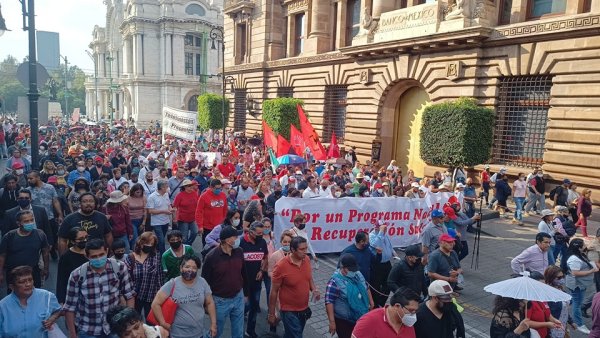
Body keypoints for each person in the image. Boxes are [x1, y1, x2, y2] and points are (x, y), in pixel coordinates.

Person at [64, 238, 136, 338]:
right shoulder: (77, 275)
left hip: (114, 328)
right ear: (87, 256)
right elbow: (69, 308)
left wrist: (128, 323)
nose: (98, 259)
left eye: (101, 255)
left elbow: (129, 295)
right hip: (87, 330)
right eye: (94, 256)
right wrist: (72, 334)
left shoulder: (119, 267)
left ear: (106, 251)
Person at [151, 254, 217, 337]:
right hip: (177, 334)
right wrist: (162, 323)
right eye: (187, 267)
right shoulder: (172, 284)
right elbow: (155, 304)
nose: (190, 270)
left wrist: (213, 324)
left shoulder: (202, 282)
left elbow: (210, 302)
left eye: (194, 268)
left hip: (198, 333)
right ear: (181, 268)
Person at [268, 236, 321, 338]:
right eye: (302, 249)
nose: (305, 251)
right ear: (292, 249)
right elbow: (274, 291)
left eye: (306, 248)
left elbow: (309, 278)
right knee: (296, 335)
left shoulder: (306, 260)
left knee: (292, 335)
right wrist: (271, 314)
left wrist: (314, 289)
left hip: (304, 309)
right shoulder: (281, 266)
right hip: (288, 311)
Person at [201, 226, 245, 338]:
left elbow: (244, 273)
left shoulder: (239, 252)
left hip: (238, 297)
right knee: (216, 332)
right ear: (226, 240)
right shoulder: (211, 257)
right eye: (234, 237)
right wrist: (206, 303)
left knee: (239, 332)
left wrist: (246, 294)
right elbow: (204, 282)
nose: (237, 239)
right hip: (220, 301)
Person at [0, 266, 62, 337]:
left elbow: (59, 310)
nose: (28, 284)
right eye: (22, 282)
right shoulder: (3, 306)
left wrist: (52, 319)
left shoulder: (47, 297)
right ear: (11, 287)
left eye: (30, 280)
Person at [325, 254, 373, 338]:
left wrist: (371, 302)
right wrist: (332, 322)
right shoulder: (334, 281)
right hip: (344, 320)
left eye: (354, 269)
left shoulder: (357, 274)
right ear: (342, 268)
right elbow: (329, 301)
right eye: (350, 270)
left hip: (360, 316)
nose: (353, 272)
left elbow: (366, 287)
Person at [0, 210, 50, 288]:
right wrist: (1, 273)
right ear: (18, 223)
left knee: (34, 295)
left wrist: (46, 268)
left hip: (33, 272)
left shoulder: (40, 234)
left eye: (32, 220)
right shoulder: (9, 236)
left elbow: (45, 252)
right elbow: (2, 256)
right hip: (14, 274)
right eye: (26, 221)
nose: (30, 223)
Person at [240, 221, 269, 338]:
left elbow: (266, 257)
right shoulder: (241, 242)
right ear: (250, 232)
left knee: (254, 305)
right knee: (244, 305)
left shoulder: (262, 242)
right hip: (242, 283)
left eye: (262, 233)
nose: (261, 235)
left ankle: (250, 330)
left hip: (256, 282)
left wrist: (261, 270)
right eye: (258, 233)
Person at [351, 287, 420, 337]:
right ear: (397, 306)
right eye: (411, 310)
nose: (413, 314)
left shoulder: (407, 323)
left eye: (415, 311)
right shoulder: (369, 321)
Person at [125, 232, 163, 319]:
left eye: (152, 244)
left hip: (150, 295)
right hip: (135, 296)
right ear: (141, 243)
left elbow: (159, 276)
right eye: (147, 243)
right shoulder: (131, 258)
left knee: (150, 321)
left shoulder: (156, 256)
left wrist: (160, 293)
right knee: (135, 320)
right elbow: (126, 279)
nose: (149, 246)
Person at [564, 238, 597, 334]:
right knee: (577, 304)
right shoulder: (574, 259)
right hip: (576, 285)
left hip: (580, 284)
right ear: (578, 248)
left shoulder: (577, 253)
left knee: (576, 301)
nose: (585, 246)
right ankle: (579, 324)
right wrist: (591, 271)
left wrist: (589, 249)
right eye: (583, 245)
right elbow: (575, 272)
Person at [56, 227, 89, 304]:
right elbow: (61, 280)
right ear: (72, 241)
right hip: (75, 295)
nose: (85, 240)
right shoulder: (66, 257)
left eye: (86, 237)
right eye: (81, 239)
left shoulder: (92, 252)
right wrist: (61, 301)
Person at [369, 220, 395, 307]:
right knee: (376, 286)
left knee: (389, 283)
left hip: (387, 264)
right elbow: (376, 244)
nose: (386, 229)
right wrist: (380, 233)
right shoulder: (372, 236)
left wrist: (392, 252)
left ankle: (381, 302)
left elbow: (389, 245)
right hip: (378, 265)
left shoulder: (384, 234)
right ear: (378, 228)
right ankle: (376, 304)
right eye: (384, 227)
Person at [195, 179, 228, 246]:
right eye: (217, 188)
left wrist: (225, 222)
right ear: (211, 187)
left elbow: (225, 209)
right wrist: (200, 226)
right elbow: (199, 212)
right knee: (207, 246)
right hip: (208, 227)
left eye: (220, 188)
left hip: (220, 226)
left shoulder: (223, 195)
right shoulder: (204, 196)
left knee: (221, 246)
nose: (219, 190)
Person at [146, 180, 174, 254]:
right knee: (161, 240)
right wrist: (164, 211)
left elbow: (168, 205)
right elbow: (150, 211)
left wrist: (171, 209)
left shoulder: (166, 194)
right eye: (166, 187)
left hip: (165, 221)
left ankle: (155, 251)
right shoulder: (152, 197)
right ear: (162, 187)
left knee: (160, 240)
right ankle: (163, 256)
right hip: (156, 222)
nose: (168, 188)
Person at [544, 265, 571, 338]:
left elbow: (565, 308)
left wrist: (571, 321)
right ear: (551, 278)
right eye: (559, 278)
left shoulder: (561, 289)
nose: (562, 279)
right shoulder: (547, 294)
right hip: (553, 328)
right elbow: (547, 314)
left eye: (563, 277)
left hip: (563, 325)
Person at [172, 179, 200, 245]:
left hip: (193, 218)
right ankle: (185, 249)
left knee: (195, 232)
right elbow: (174, 207)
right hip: (183, 219)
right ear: (185, 187)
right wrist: (174, 218)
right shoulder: (179, 195)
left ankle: (188, 244)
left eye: (191, 186)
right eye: (189, 186)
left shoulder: (195, 194)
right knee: (184, 236)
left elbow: (198, 204)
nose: (191, 187)